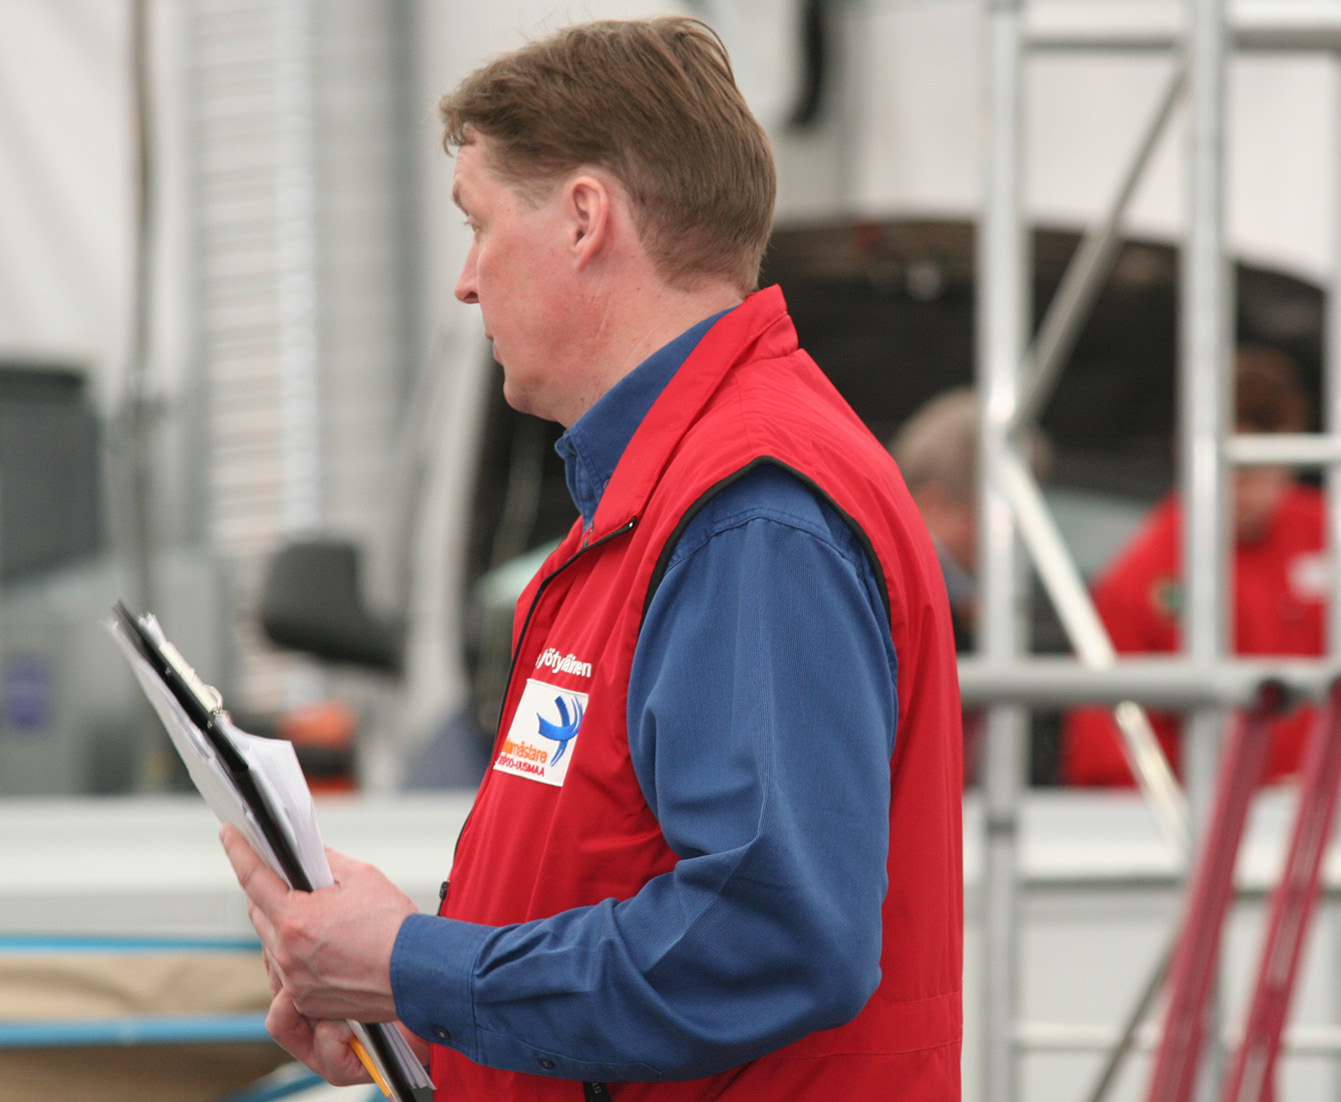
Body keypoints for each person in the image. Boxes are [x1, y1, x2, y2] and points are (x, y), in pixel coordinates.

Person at [223, 17, 963, 1100]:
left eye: (478, 225)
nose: (467, 281)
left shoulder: (747, 514)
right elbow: (617, 900)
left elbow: (770, 937)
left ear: (582, 219)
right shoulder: (655, 508)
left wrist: (408, 961)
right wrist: (413, 1010)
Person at [1061, 346, 1328, 787]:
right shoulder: (1140, 575)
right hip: (1209, 827)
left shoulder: (1326, 533)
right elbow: (1108, 753)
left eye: (1268, 469)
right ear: (1189, 456)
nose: (1252, 492)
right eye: (1237, 472)